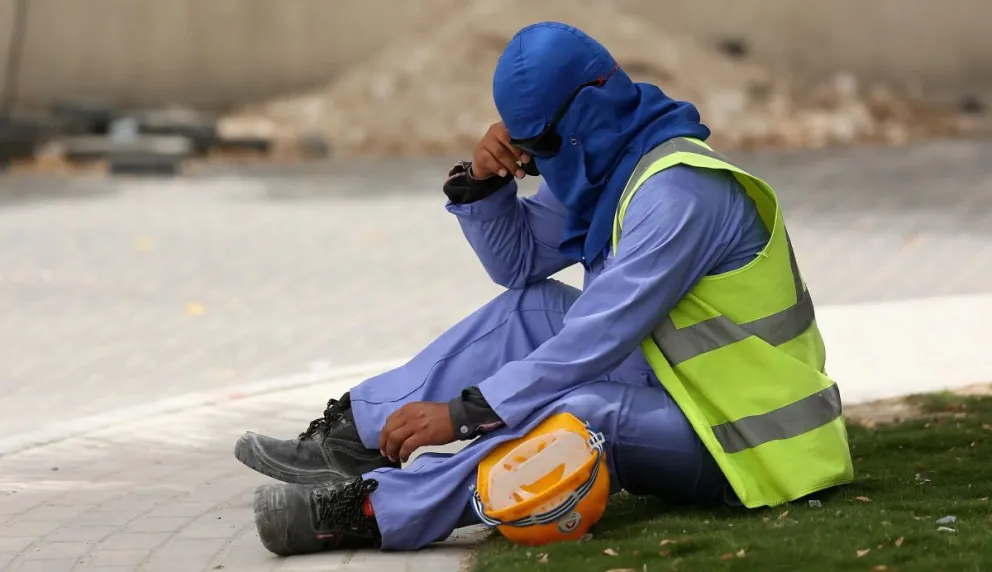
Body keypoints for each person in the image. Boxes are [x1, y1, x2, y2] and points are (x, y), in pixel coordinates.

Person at [234, 21, 854, 556]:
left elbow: (595, 339)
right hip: (684, 392)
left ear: (582, 117)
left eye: (542, 147)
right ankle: (356, 437)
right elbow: (520, 263)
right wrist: (485, 182)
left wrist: (462, 414)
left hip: (752, 441)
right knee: (526, 310)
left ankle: (373, 512)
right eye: (525, 151)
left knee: (577, 416)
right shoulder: (608, 166)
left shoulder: (678, 193)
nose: (537, 163)